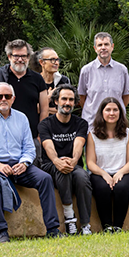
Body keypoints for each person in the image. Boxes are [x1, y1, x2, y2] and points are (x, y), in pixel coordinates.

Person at [0, 82, 62, 242]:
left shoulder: (21, 118)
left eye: (7, 96)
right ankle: (2, 232)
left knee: (45, 179)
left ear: (13, 98)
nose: (3, 99)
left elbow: (29, 147)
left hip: (20, 166)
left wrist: (25, 163)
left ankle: (52, 229)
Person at [38, 85, 92, 236]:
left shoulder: (81, 123)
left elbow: (79, 143)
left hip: (73, 164)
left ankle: (86, 224)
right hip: (51, 164)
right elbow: (48, 146)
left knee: (82, 177)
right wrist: (57, 161)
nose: (67, 103)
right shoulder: (45, 124)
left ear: (75, 103)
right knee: (63, 171)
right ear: (56, 101)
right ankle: (70, 219)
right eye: (64, 99)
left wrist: (74, 160)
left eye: (71, 100)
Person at [0, 39, 49, 164]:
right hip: (2, 139)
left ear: (28, 57)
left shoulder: (37, 79)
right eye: (16, 56)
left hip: (30, 138)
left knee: (32, 175)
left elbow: (44, 109)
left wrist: (40, 135)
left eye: (23, 56)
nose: (20, 59)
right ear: (9, 56)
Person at [86, 98, 129, 232]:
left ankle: (118, 226)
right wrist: (104, 174)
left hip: (124, 173)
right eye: (108, 110)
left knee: (121, 187)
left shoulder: (128, 134)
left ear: (120, 112)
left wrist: (120, 173)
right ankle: (107, 226)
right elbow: (90, 162)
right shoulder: (92, 135)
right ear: (101, 113)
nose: (111, 113)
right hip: (99, 173)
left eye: (115, 110)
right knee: (103, 188)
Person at [78, 32, 129, 128]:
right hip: (92, 124)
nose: (103, 48)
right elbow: (82, 98)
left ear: (112, 46)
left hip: (116, 124)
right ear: (95, 48)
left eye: (106, 44)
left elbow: (126, 97)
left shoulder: (122, 70)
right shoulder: (86, 70)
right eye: (100, 45)